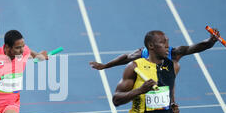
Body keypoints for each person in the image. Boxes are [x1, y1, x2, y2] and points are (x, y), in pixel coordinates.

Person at [89, 33, 218, 71]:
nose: (167, 46)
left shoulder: (174, 53)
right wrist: (105, 66)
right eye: (163, 43)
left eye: (167, 42)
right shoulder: (142, 54)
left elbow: (195, 47)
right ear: (151, 46)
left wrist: (210, 41)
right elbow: (125, 58)